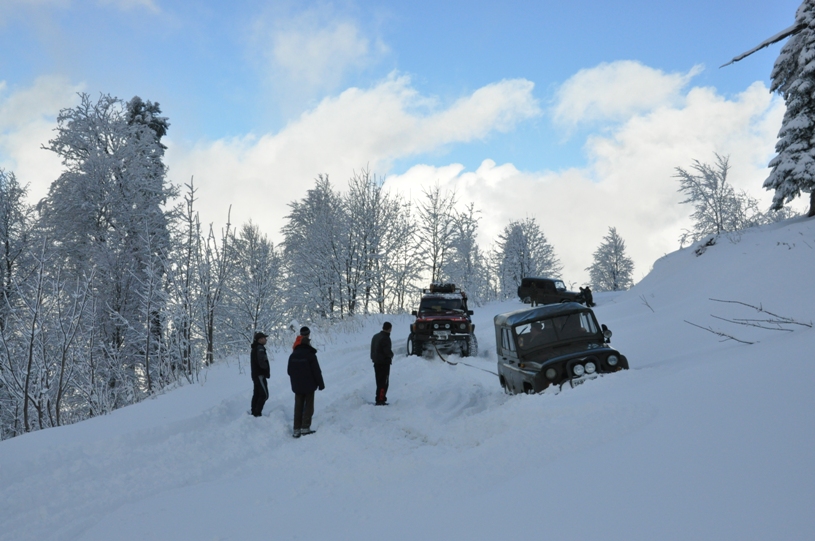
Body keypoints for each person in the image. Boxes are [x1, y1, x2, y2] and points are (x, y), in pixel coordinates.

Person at [287, 327, 325, 438]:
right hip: (309, 385)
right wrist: (321, 384)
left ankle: (296, 429)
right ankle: (305, 427)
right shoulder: (310, 355)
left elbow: (289, 371)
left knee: (298, 406)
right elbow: (316, 371)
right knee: (308, 406)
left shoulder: (293, 355)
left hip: (297, 385)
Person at [370, 322, 394, 405]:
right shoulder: (385, 338)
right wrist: (391, 355)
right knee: (383, 382)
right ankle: (381, 399)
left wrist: (373, 358)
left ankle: (379, 398)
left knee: (379, 381)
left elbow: (372, 349)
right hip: (384, 363)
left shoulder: (375, 336)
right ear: (389, 328)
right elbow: (387, 351)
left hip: (376, 363)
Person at [250, 331, 270, 417]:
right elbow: (261, 361)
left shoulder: (256, 348)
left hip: (256, 375)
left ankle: (254, 412)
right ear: (260, 339)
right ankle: (257, 413)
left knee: (257, 393)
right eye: (264, 338)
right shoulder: (259, 348)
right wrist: (265, 369)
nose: (266, 339)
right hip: (259, 375)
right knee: (264, 394)